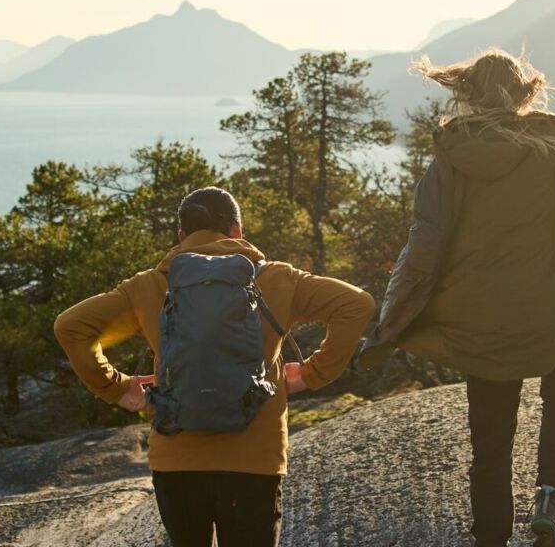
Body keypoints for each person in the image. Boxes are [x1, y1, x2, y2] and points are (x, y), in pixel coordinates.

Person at [358, 47, 555, 547]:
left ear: (465, 94)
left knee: (491, 436)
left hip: (482, 318)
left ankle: (490, 533)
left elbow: (424, 240)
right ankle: (548, 502)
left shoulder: (450, 157)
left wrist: (394, 315)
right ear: (523, 95)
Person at [53, 187, 374, 547]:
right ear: (237, 230)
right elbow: (357, 304)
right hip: (253, 462)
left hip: (177, 462)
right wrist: (313, 373)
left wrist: (118, 386)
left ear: (181, 235)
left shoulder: (149, 286)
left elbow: (70, 327)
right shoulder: (277, 280)